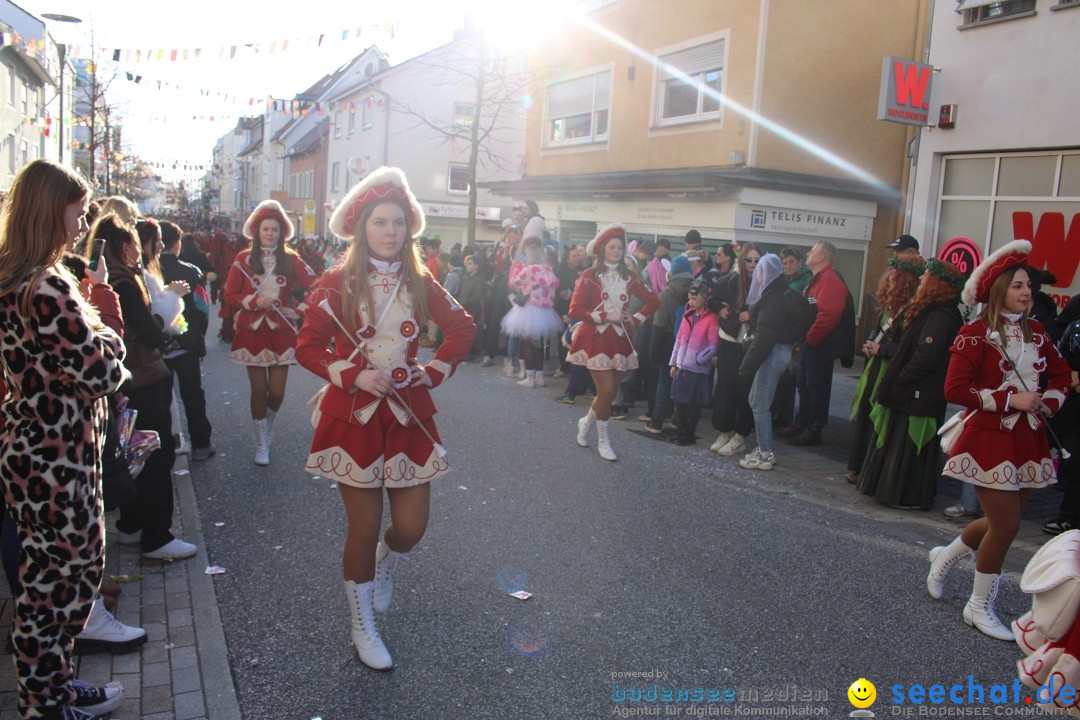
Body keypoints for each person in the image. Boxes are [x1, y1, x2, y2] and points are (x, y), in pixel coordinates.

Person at [296, 167, 476, 670]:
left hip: (406, 416)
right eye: (380, 222)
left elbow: (463, 327)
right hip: (353, 417)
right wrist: (352, 374)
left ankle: (386, 559)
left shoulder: (422, 280)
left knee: (411, 529)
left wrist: (434, 370)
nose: (390, 231)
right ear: (362, 227)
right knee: (364, 524)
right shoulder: (336, 282)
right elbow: (306, 346)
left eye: (398, 222)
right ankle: (362, 625)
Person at [0, 160, 129, 719]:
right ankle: (44, 703)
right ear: (51, 212)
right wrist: (110, 342)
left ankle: (53, 685)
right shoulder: (47, 285)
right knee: (55, 586)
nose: (81, 227)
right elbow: (100, 370)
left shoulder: (16, 278)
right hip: (55, 459)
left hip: (42, 452)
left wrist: (98, 338)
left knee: (59, 578)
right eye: (77, 214)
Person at [927, 240, 1071, 641]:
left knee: (997, 522)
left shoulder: (1038, 331)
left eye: (1029, 286)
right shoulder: (974, 333)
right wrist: (1012, 398)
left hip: (1027, 440)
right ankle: (978, 607)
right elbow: (955, 388)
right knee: (1006, 525)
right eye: (1018, 286)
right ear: (998, 290)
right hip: (988, 438)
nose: (1027, 293)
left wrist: (1048, 403)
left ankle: (946, 556)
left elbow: (1059, 376)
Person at [97, 214, 200, 563]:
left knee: (134, 453)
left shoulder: (108, 278)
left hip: (129, 379)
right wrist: (168, 306)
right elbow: (149, 332)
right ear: (126, 246)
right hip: (143, 376)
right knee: (155, 457)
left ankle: (133, 526)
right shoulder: (125, 282)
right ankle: (157, 536)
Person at [856, 260, 965, 509]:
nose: (921, 279)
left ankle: (908, 495)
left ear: (936, 283)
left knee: (912, 447)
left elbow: (925, 357)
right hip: (914, 393)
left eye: (926, 275)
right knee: (902, 443)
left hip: (920, 395)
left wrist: (901, 378)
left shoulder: (940, 316)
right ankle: (896, 493)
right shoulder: (931, 311)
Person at [223, 200, 317, 466]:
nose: (270, 234)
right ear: (257, 231)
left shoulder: (291, 259)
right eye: (266, 229)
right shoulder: (242, 260)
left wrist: (299, 310)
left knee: (276, 392)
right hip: (251, 332)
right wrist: (253, 301)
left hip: (281, 332)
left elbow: (318, 285)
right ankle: (261, 439)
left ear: (282, 232)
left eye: (275, 229)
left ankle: (268, 425)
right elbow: (229, 295)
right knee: (259, 389)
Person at [567, 224, 659, 461]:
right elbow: (575, 309)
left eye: (620, 247)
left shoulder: (630, 277)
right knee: (606, 390)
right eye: (612, 247)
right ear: (601, 250)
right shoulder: (588, 277)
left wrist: (636, 318)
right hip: (595, 339)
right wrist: (606, 316)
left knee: (609, 392)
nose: (617, 251)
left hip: (620, 340)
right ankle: (603, 440)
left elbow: (653, 300)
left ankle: (586, 423)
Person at [846, 255, 925, 484]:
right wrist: (870, 344)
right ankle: (858, 465)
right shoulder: (890, 305)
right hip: (876, 365)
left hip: (890, 368)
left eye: (894, 275)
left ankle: (869, 470)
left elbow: (908, 346)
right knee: (864, 414)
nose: (889, 278)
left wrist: (882, 349)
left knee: (877, 418)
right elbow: (877, 329)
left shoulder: (913, 309)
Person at [737, 254, 813, 471]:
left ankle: (764, 453)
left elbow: (765, 337)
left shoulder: (774, 298)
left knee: (760, 404)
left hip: (772, 352)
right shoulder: (783, 293)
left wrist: (745, 367)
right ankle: (763, 449)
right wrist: (789, 337)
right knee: (756, 400)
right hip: (778, 350)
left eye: (759, 270)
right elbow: (806, 318)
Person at [779, 241, 853, 446]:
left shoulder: (830, 280)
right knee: (804, 384)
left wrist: (810, 339)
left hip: (819, 344)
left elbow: (829, 315)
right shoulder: (818, 279)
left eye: (813, 250)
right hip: (810, 342)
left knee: (815, 387)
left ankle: (814, 429)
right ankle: (802, 423)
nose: (809, 253)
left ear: (821, 257)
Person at [159, 220, 215, 461]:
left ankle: (164, 447)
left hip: (156, 345)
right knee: (192, 394)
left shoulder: (144, 271)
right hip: (187, 343)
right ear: (177, 244)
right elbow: (203, 308)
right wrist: (198, 335)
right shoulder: (191, 271)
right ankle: (201, 444)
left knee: (161, 399)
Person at [710, 243, 764, 456]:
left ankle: (740, 435)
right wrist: (720, 309)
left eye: (756, 260)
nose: (752, 264)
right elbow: (712, 298)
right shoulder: (731, 280)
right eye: (749, 259)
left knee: (745, 388)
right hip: (729, 338)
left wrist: (753, 315)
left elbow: (773, 311)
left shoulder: (765, 283)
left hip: (751, 342)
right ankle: (723, 430)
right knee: (724, 386)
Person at [643, 255, 694, 432]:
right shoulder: (695, 292)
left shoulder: (666, 294)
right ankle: (676, 419)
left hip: (667, 343)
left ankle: (656, 420)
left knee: (664, 381)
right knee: (681, 382)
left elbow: (659, 324)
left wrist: (653, 354)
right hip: (688, 344)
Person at [502, 244, 562, 388]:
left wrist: (515, 266)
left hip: (529, 309)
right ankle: (540, 377)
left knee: (526, 344)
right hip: (544, 311)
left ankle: (530, 377)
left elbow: (513, 282)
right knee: (538, 345)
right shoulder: (547, 269)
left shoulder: (529, 269)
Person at [668, 277, 719, 445]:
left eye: (694, 298)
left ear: (704, 298)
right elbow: (679, 340)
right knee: (681, 401)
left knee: (694, 403)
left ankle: (689, 433)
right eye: (689, 298)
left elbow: (713, 344)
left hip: (697, 368)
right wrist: (674, 362)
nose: (691, 302)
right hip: (684, 365)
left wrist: (700, 359)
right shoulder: (687, 316)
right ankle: (681, 430)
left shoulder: (711, 319)